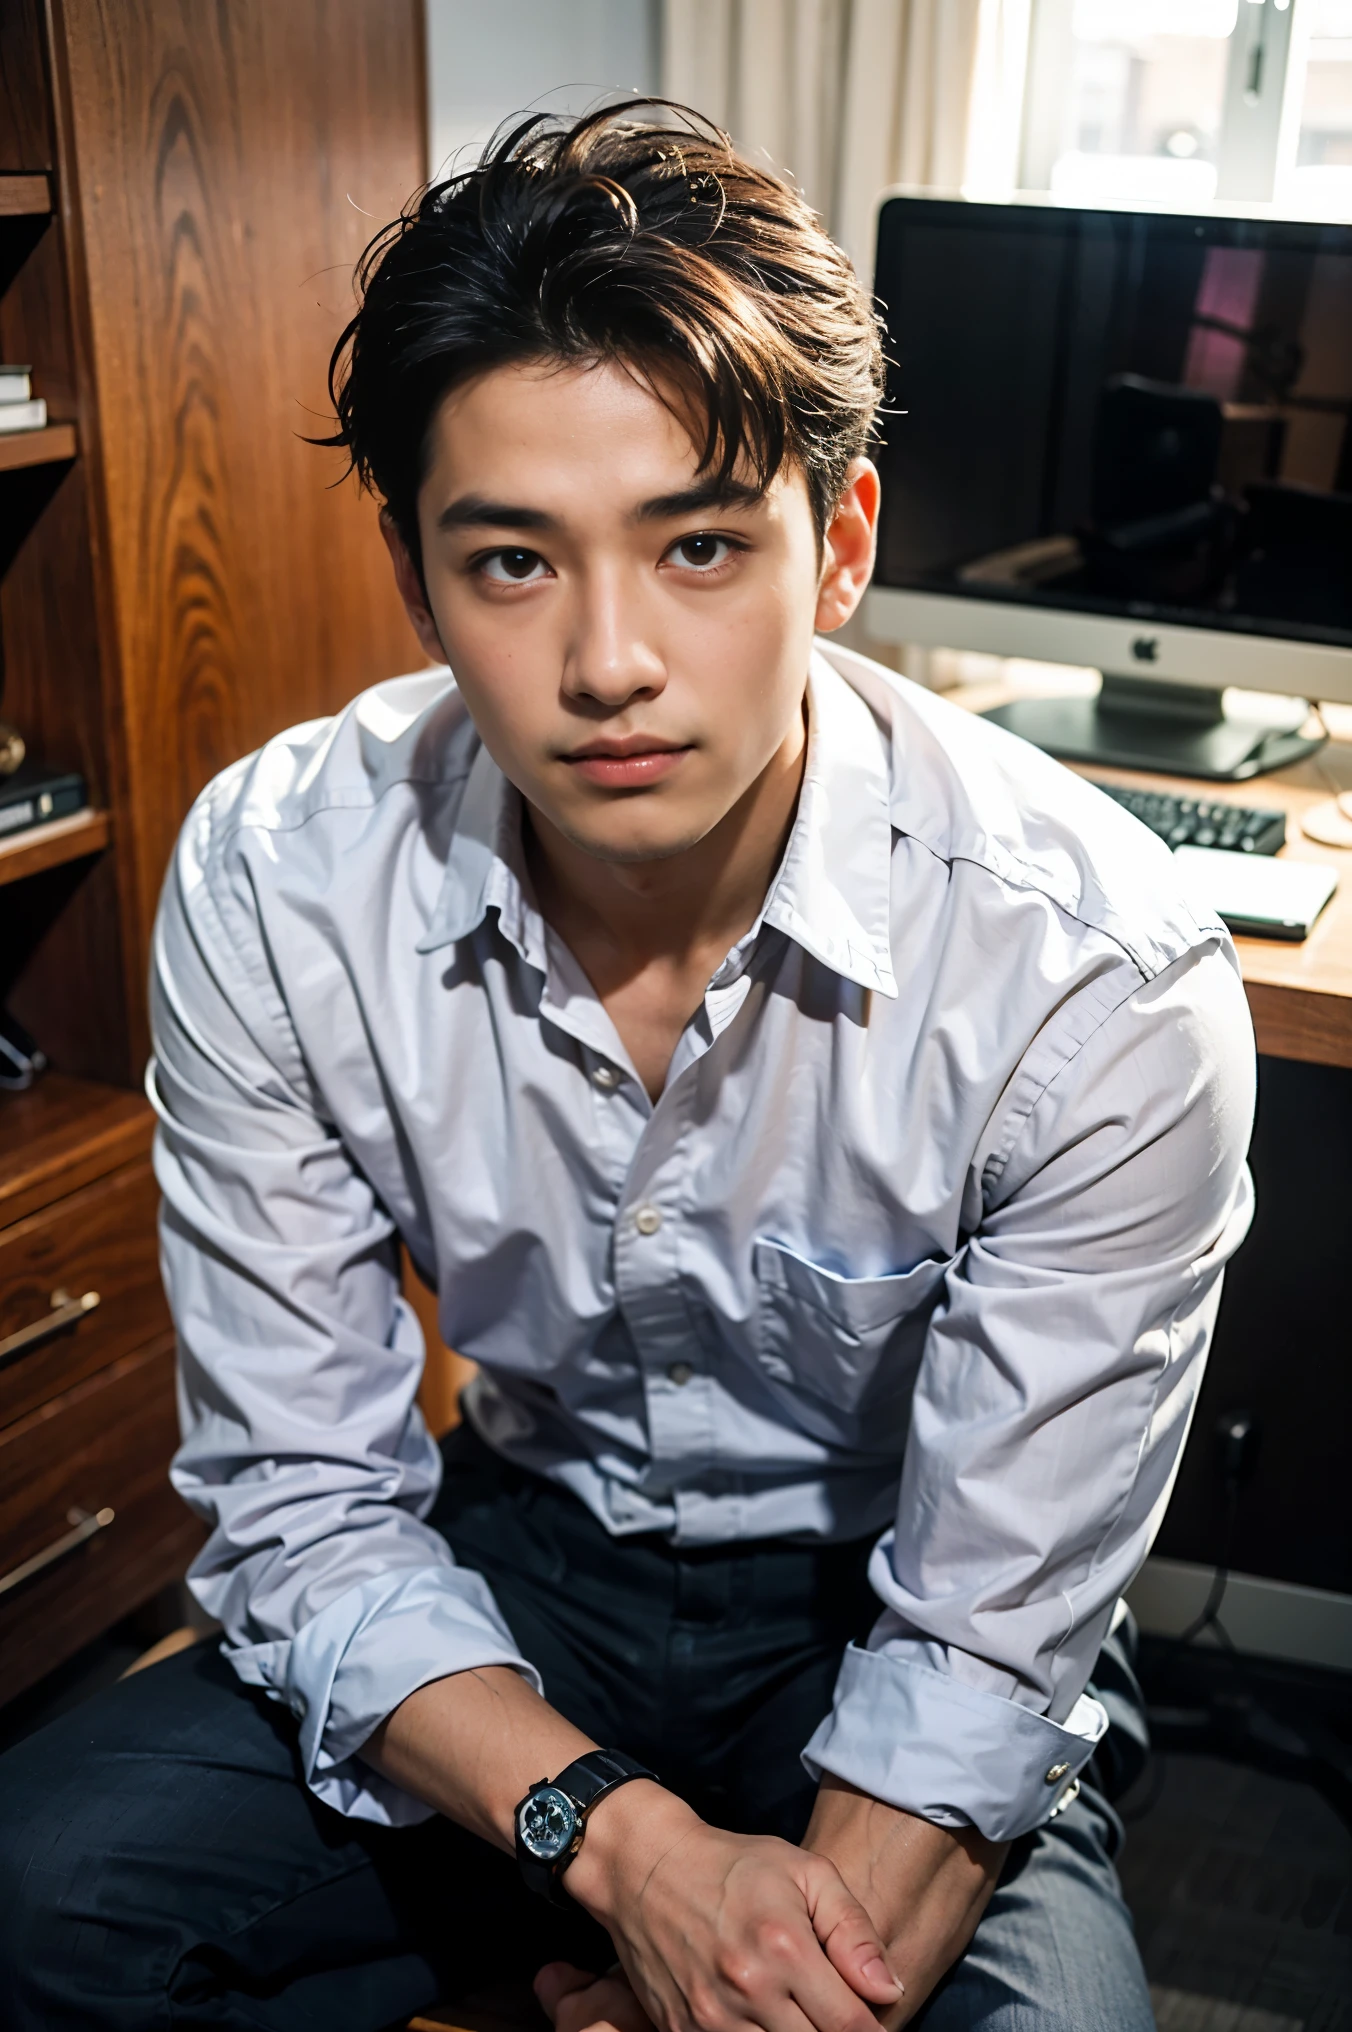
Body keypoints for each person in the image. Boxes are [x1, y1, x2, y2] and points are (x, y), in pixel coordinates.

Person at [0, 104, 1255, 2032]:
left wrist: (743, 1981)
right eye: (511, 561)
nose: (608, 662)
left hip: (894, 1601)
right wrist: (629, 1865)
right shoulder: (278, 879)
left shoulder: (1101, 977)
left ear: (836, 547)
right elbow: (308, 1501)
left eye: (696, 546)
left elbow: (988, 1636)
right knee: (40, 1899)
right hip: (522, 1562)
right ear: (417, 588)